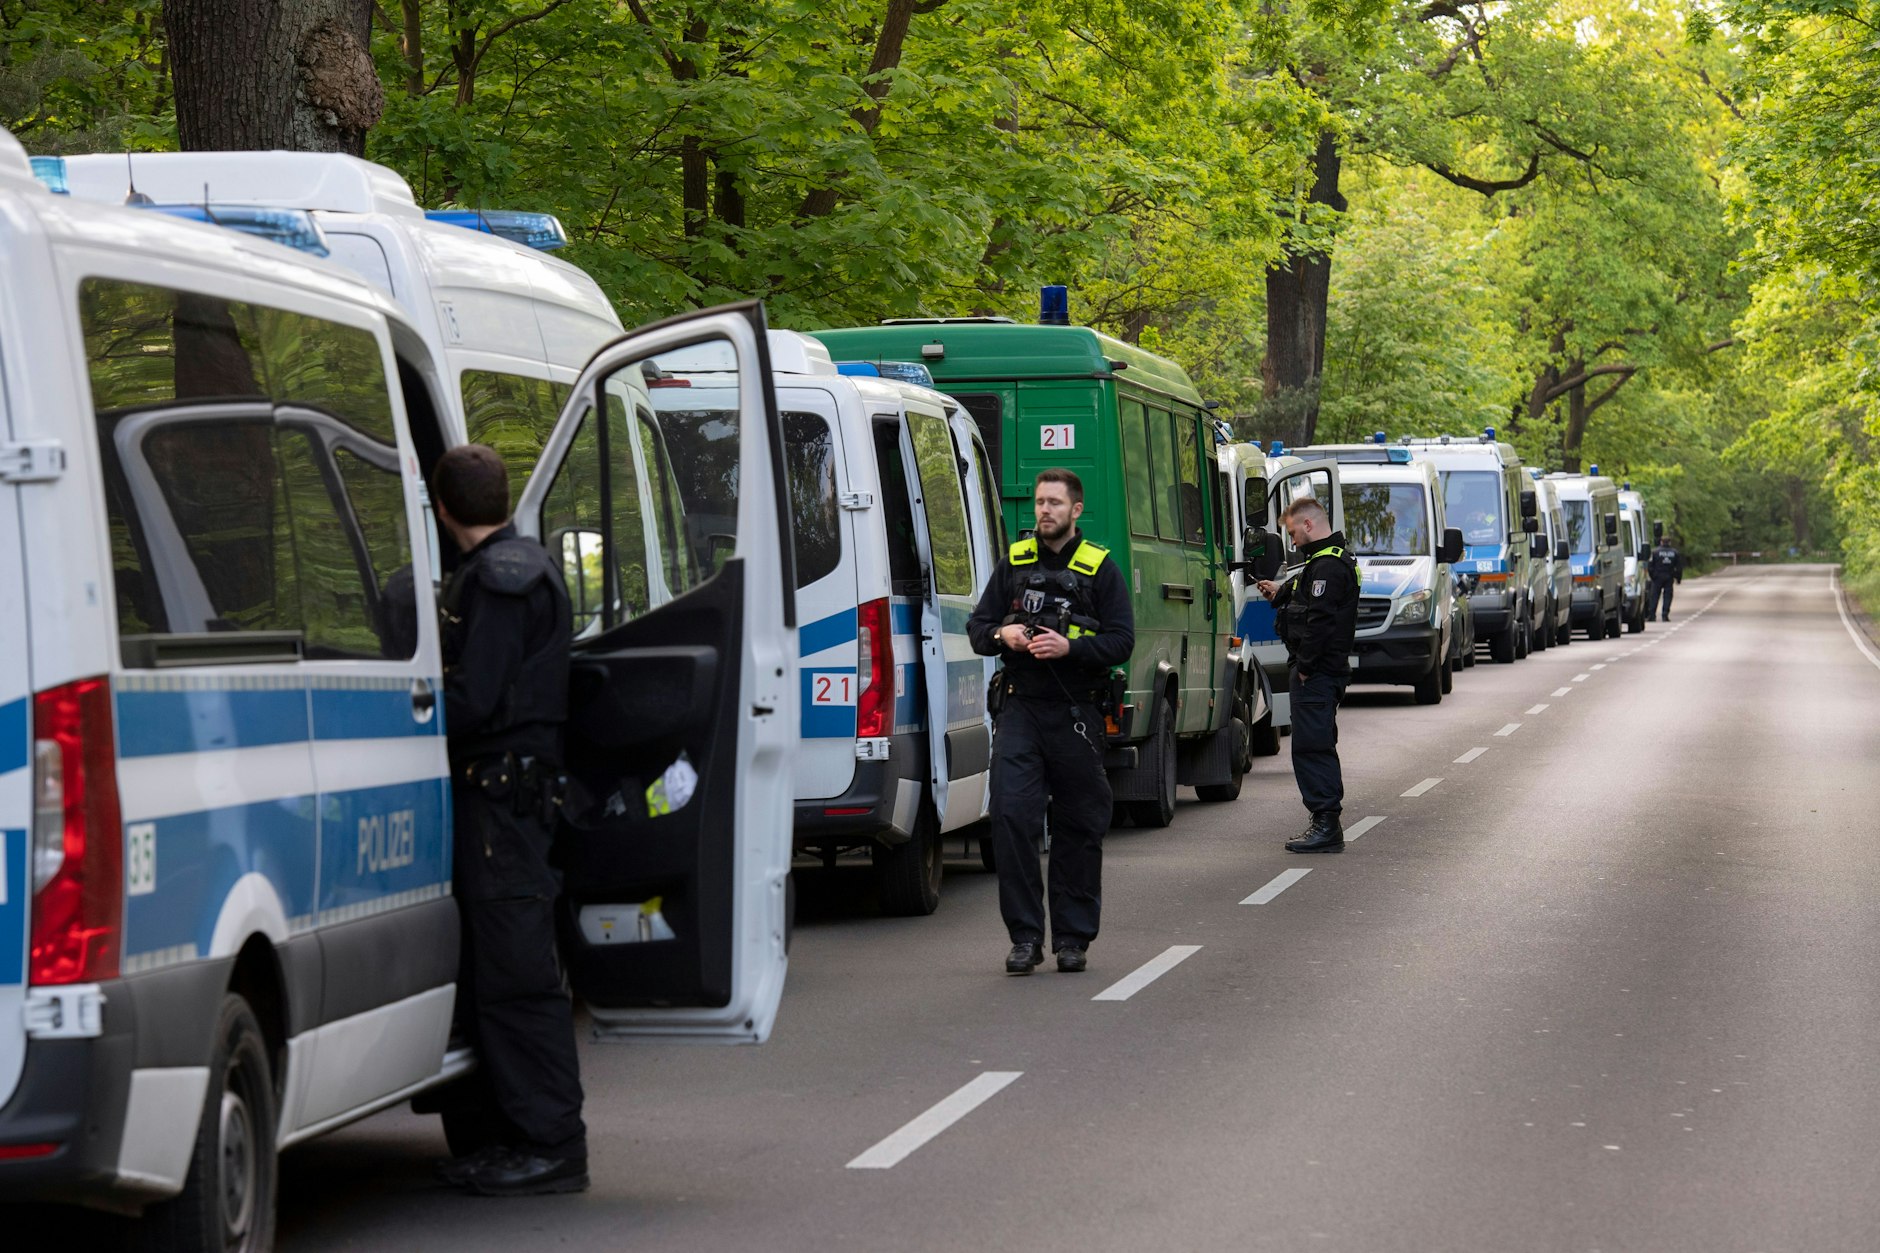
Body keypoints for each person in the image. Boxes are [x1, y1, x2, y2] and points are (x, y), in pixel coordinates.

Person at [427, 444, 589, 1196]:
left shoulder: (499, 580)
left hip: (501, 805)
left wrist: (408, 707)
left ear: (442, 507)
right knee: (501, 971)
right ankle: (508, 1134)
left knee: (518, 977)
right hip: (512, 800)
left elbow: (476, 699)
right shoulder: (522, 565)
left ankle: (552, 1145)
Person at [968, 469, 1134, 975]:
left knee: (1078, 825)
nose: (1044, 510)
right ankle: (1024, 937)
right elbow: (978, 629)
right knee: (1012, 817)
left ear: (1075, 510)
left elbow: (1122, 640)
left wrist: (1072, 647)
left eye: (1055, 503)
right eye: (1040, 502)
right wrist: (1005, 635)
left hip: (1076, 711)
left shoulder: (1100, 568)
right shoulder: (1013, 564)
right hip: (1020, 708)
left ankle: (1072, 939)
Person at [1255, 497, 1359, 854]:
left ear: (1309, 525)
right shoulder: (1320, 563)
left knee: (1312, 746)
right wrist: (1278, 591)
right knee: (1312, 744)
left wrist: (1307, 669)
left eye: (1293, 532)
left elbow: (1321, 622)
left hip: (1317, 672)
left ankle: (1327, 824)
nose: (1292, 540)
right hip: (1317, 671)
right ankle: (1324, 821)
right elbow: (1305, 600)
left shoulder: (1328, 566)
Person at [1646, 534, 1683, 621]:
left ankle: (1652, 615)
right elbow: (1679, 567)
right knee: (1667, 596)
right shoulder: (1674, 553)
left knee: (1654, 596)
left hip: (1657, 577)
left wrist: (1653, 576)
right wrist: (1678, 578)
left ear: (1661, 542)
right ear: (1669, 542)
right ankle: (1665, 615)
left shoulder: (1655, 552)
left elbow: (1650, 566)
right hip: (1669, 577)